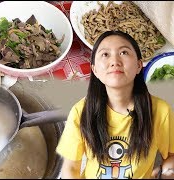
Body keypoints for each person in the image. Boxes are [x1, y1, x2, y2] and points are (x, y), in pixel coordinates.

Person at [56, 30, 174, 179]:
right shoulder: (81, 111)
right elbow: (71, 168)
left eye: (124, 52)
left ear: (139, 65)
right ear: (95, 70)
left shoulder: (160, 110)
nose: (115, 61)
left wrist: (166, 173)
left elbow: (171, 156)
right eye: (105, 54)